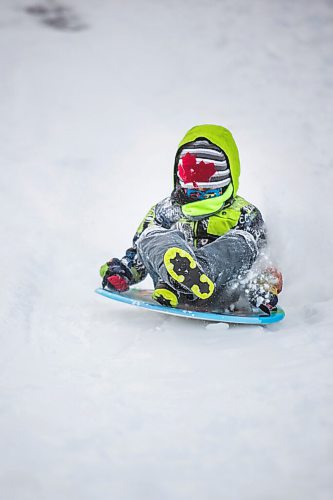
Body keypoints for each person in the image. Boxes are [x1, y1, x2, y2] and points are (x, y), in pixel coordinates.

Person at [100, 124, 282, 314]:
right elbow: (140, 251)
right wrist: (123, 271)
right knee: (152, 235)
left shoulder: (244, 213)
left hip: (221, 291)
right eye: (193, 191)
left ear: (227, 183)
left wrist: (262, 288)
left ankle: (197, 274)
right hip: (166, 284)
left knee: (243, 242)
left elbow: (262, 259)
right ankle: (175, 280)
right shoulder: (166, 210)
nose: (200, 196)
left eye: (209, 192)